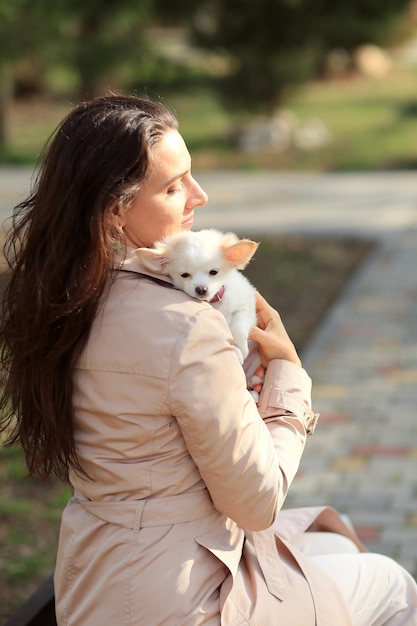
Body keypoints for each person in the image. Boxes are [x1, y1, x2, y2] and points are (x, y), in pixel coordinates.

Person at [0, 94, 416, 626]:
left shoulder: (63, 299)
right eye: (174, 187)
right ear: (115, 208)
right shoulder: (187, 324)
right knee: (391, 582)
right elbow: (258, 502)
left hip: (96, 581)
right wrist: (287, 376)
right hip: (182, 600)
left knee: (336, 546)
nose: (198, 195)